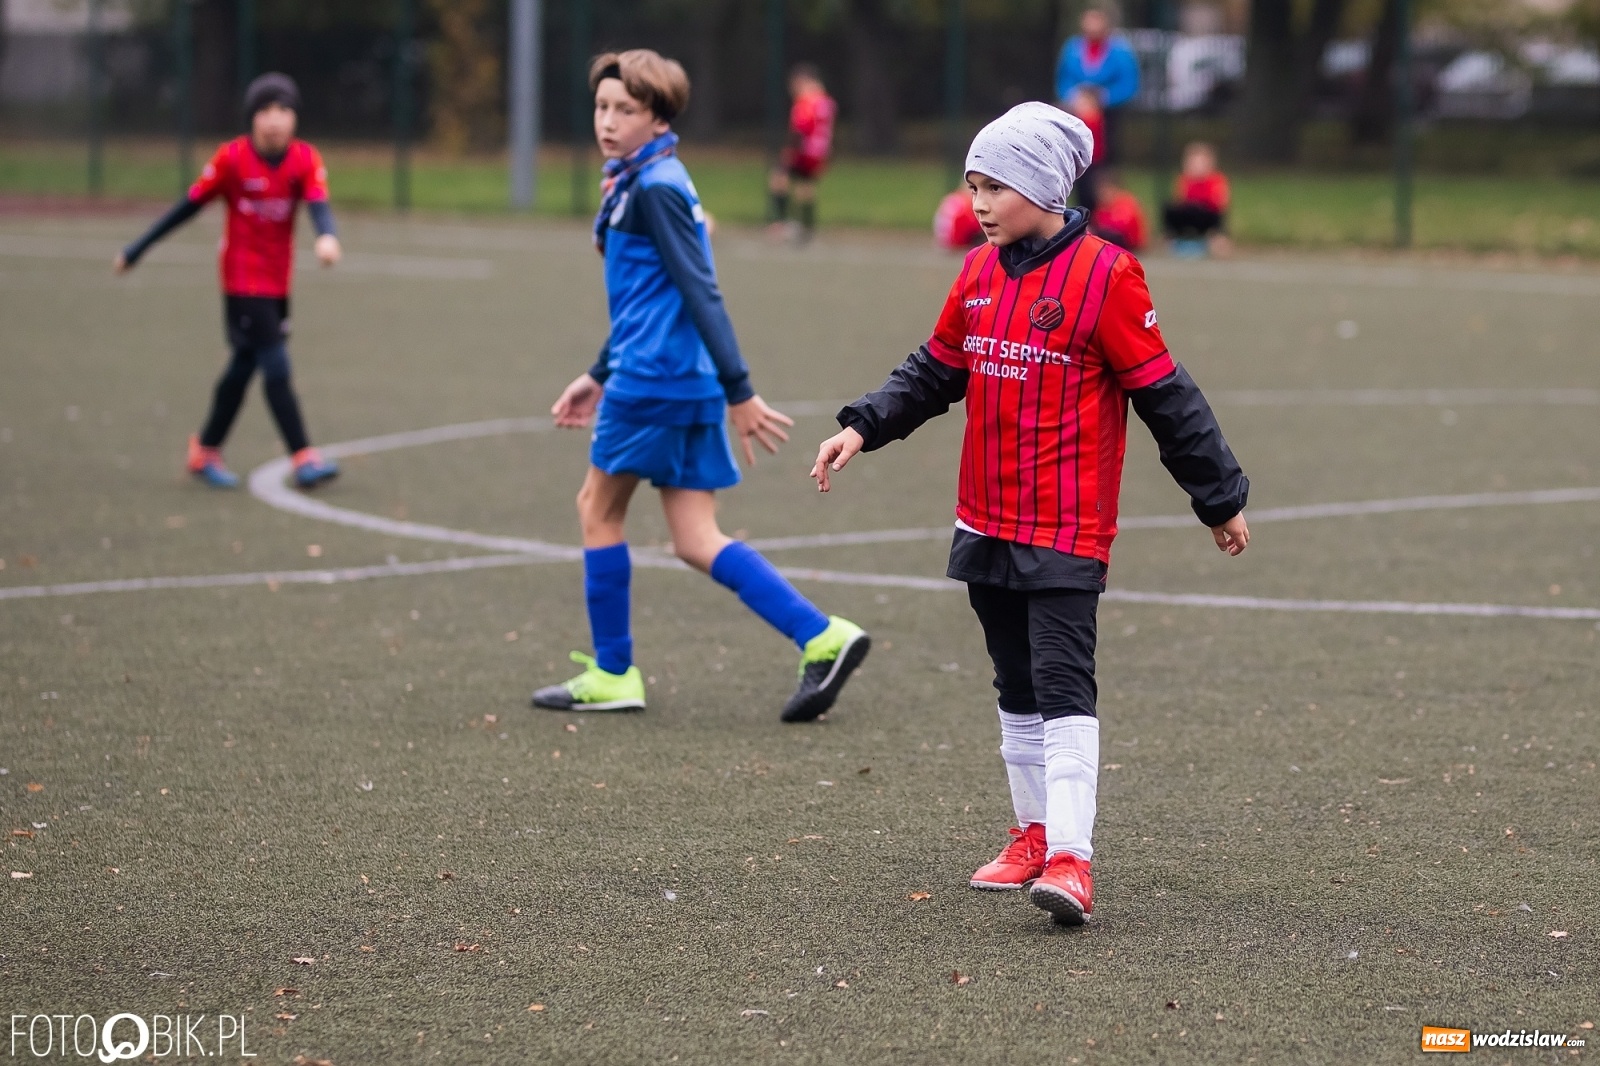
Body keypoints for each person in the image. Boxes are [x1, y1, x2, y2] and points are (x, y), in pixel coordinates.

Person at [810, 102, 1249, 925]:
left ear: (1043, 186)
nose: (977, 202)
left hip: (1066, 527)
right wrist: (861, 425)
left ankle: (1074, 861)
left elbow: (1165, 395)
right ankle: (1034, 833)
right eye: (972, 184)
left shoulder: (1108, 275)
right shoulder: (978, 272)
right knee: (1014, 683)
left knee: (1061, 682)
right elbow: (935, 370)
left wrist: (1217, 498)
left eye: (995, 186)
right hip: (985, 518)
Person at [537, 49, 870, 721]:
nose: (607, 121)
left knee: (597, 510)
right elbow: (649, 301)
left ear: (658, 115)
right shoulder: (651, 176)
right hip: (670, 380)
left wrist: (740, 391)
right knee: (695, 537)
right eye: (601, 107)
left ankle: (612, 672)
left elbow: (700, 290)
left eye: (624, 110)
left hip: (655, 383)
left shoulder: (654, 186)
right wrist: (597, 372)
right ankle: (823, 636)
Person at [114, 72, 341, 490]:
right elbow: (187, 207)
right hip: (242, 283)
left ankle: (205, 450)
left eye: (283, 110)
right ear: (251, 117)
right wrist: (137, 248)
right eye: (265, 110)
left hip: (277, 284)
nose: (274, 120)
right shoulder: (232, 159)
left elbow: (318, 205)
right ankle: (303, 455)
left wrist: (328, 236)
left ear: (295, 118)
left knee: (242, 368)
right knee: (275, 364)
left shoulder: (305, 159)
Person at [1055, 6, 1140, 166]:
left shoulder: (1120, 51)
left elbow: (1129, 84)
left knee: (1105, 164)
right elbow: (1063, 79)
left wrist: (1103, 97)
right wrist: (1075, 98)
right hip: (1077, 114)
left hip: (1109, 119)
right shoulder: (1072, 48)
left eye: (1097, 20)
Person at [767, 63, 837, 243]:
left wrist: (790, 150)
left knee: (778, 179)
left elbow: (800, 128)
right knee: (806, 188)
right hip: (820, 152)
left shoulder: (806, 102)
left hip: (804, 151)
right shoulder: (827, 102)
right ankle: (807, 227)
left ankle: (780, 223)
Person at [1163, 141, 1232, 258]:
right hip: (1190, 214)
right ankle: (1173, 240)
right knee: (1171, 209)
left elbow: (1220, 203)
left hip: (1207, 216)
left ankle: (1216, 239)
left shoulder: (1216, 180)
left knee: (1211, 214)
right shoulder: (1185, 179)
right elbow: (1180, 200)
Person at [1063, 86, 1107, 210]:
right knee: (1081, 194)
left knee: (1090, 195)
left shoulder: (1092, 119)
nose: (1077, 104)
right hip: (1085, 164)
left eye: (1082, 101)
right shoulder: (1089, 118)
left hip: (1092, 164)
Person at [1088, 169, 1146, 252]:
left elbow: (1123, 226)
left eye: (1105, 190)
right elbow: (1098, 222)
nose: (1102, 194)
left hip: (1130, 242)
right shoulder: (1102, 206)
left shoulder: (1125, 201)